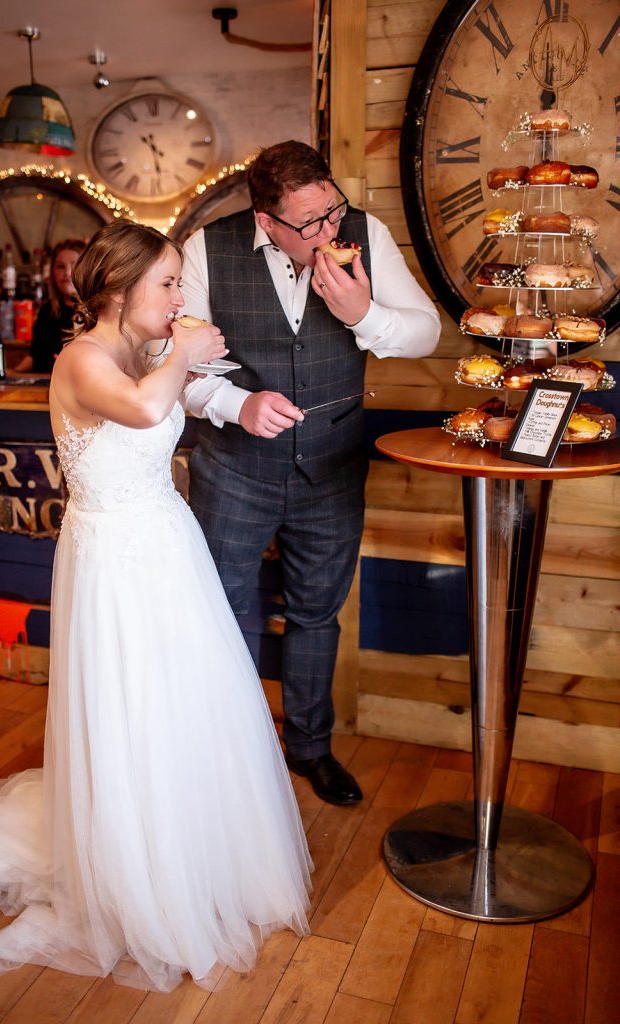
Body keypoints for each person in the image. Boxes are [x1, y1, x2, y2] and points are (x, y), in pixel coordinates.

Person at [0, 221, 312, 992]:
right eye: (168, 283)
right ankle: (136, 876)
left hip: (165, 541)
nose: (181, 297)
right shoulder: (82, 359)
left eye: (179, 281)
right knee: (129, 700)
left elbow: (182, 388)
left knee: (185, 697)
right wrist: (183, 352)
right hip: (111, 554)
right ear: (116, 291)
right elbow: (146, 411)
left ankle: (194, 846)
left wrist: (225, 388)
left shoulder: (147, 350)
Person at [181, 140, 441, 806]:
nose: (327, 231)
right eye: (307, 223)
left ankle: (310, 749)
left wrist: (363, 314)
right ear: (265, 221)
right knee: (224, 611)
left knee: (316, 617)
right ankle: (226, 752)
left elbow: (425, 333)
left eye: (331, 211)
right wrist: (238, 404)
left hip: (331, 464)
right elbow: (177, 365)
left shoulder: (366, 235)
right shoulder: (205, 250)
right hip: (234, 468)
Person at [15, 238, 85, 373]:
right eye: (60, 266)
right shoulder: (47, 310)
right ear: (52, 272)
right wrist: (12, 375)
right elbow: (34, 356)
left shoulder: (96, 311)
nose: (67, 273)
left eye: (74, 264)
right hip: (44, 387)